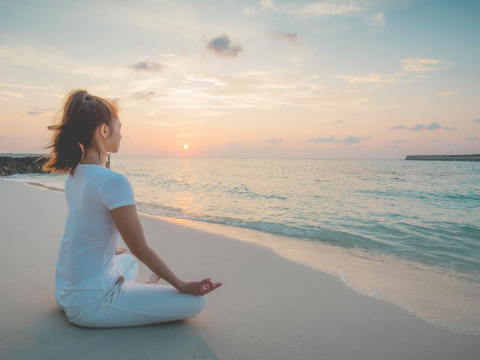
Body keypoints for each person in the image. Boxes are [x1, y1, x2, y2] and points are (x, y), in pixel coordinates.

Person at [38, 89, 222, 328]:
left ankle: (140, 290)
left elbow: (85, 225)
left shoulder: (74, 174)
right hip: (91, 304)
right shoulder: (113, 182)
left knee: (129, 264)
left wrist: (104, 251)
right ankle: (139, 293)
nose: (122, 135)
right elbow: (139, 247)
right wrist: (182, 285)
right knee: (195, 304)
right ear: (104, 131)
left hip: (65, 292)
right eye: (119, 127)